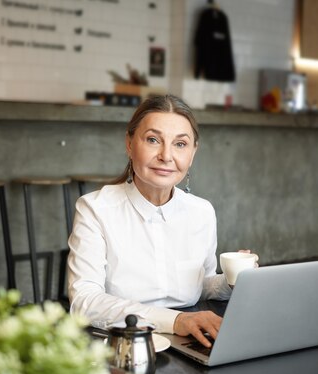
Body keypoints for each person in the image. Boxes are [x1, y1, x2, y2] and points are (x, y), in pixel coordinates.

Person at [67, 94, 250, 348]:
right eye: (153, 140)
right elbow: (85, 302)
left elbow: (201, 285)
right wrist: (177, 321)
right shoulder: (96, 209)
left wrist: (232, 280)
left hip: (190, 340)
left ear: (193, 153)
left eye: (180, 144)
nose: (166, 155)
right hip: (124, 345)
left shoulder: (202, 212)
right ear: (129, 144)